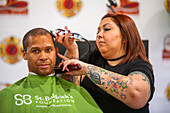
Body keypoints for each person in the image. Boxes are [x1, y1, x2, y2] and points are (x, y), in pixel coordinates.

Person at [55, 13, 155, 113]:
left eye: (106, 29)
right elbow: (68, 90)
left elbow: (137, 95)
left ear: (125, 36)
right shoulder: (93, 56)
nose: (99, 35)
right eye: (98, 31)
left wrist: (87, 70)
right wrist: (72, 50)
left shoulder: (139, 65)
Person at [0, 28, 102, 113]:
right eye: (35, 51)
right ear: (24, 54)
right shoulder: (9, 95)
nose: (43, 57)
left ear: (56, 52)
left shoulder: (77, 92)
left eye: (48, 50)